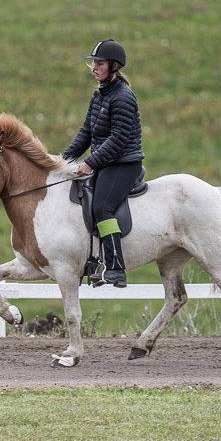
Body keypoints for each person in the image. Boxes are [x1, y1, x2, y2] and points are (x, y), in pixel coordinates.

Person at [62, 39, 145, 287]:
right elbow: (86, 133)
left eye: (99, 63)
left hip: (124, 164)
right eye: (94, 63)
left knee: (102, 208)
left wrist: (90, 163)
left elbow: (118, 138)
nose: (94, 68)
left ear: (113, 66)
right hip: (106, 162)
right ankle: (93, 262)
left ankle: (116, 268)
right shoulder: (99, 96)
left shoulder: (123, 97)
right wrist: (60, 161)